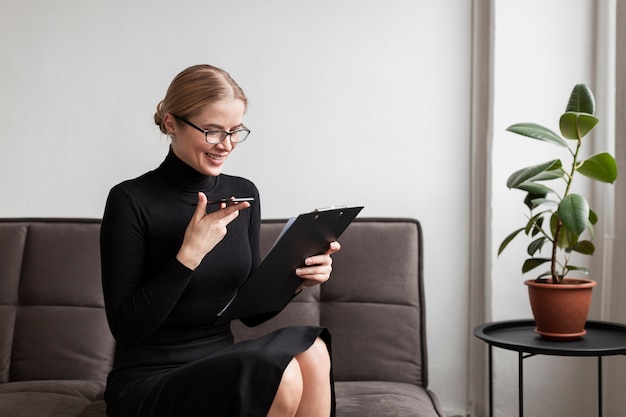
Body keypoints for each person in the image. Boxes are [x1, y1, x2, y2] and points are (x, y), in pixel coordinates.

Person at [100, 64, 340, 417]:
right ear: (171, 123)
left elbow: (251, 315)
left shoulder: (242, 193)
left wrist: (297, 280)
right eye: (212, 132)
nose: (226, 145)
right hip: (149, 378)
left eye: (235, 131)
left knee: (314, 350)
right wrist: (188, 256)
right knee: (282, 376)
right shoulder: (131, 201)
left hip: (220, 360)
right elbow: (127, 329)